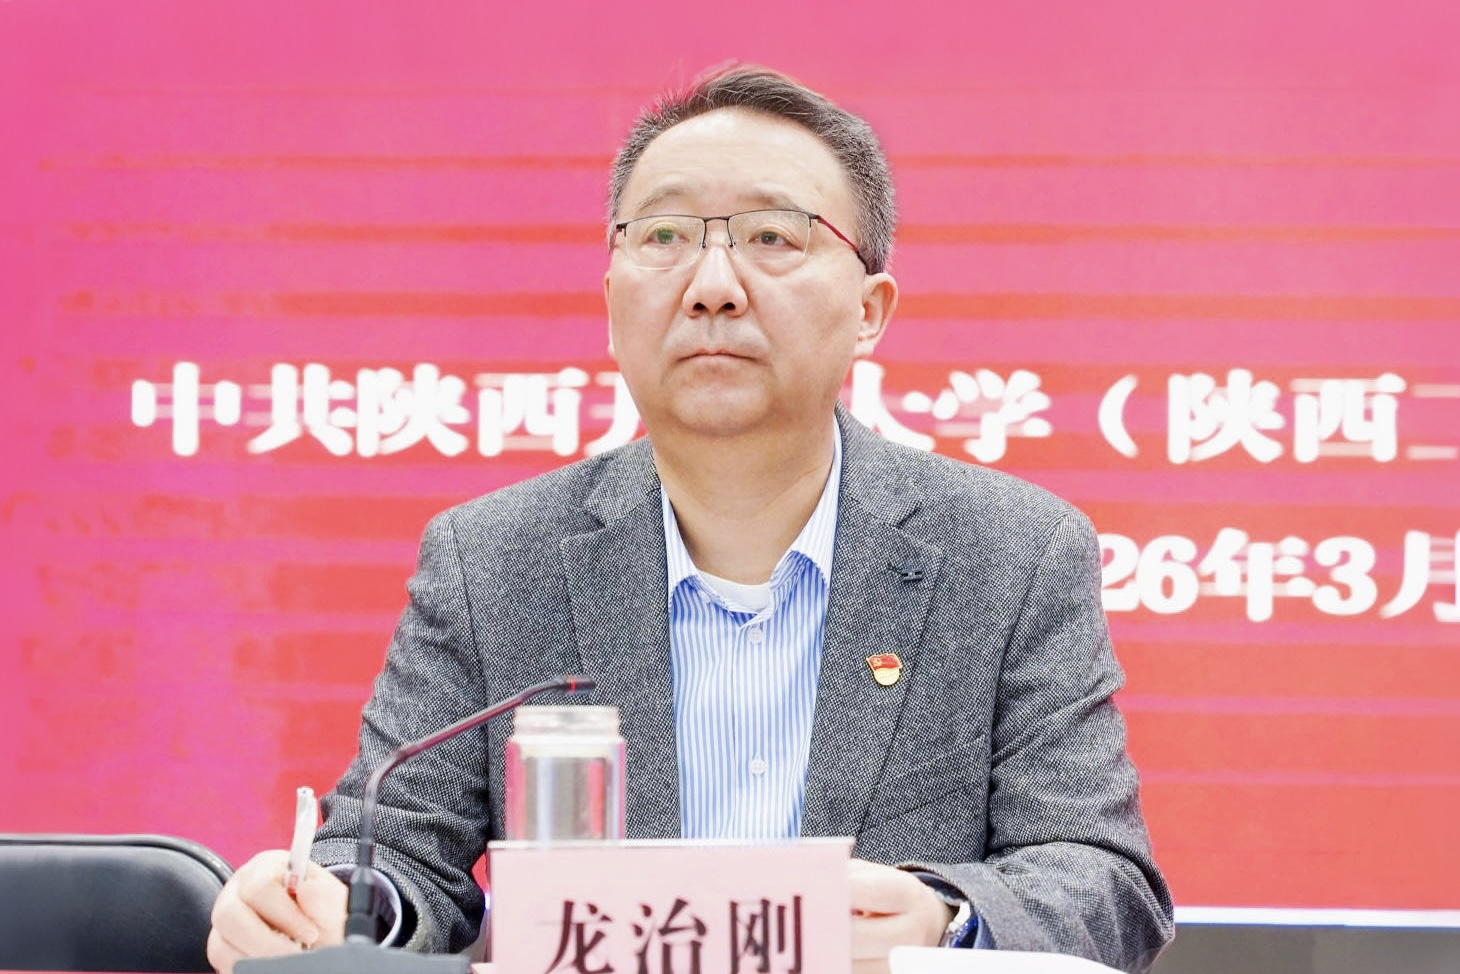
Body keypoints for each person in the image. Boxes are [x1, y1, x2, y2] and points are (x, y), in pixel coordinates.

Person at [208, 66, 1174, 974]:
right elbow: (394, 857)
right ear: (611, 303)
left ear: (870, 310)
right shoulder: (493, 560)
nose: (713, 285)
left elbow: (1103, 881)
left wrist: (942, 920)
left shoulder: (1011, 555)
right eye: (665, 237)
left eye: (773, 238)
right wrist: (330, 909)